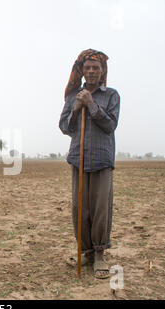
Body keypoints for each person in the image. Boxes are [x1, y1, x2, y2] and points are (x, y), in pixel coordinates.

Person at [59, 49, 120, 279]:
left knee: (100, 208)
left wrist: (91, 104)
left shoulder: (111, 95)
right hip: (79, 158)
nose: (92, 71)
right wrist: (76, 108)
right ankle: (85, 251)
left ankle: (100, 254)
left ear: (102, 71)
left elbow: (110, 125)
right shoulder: (73, 95)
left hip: (102, 159)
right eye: (88, 68)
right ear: (82, 71)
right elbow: (65, 127)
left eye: (96, 67)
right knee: (79, 207)